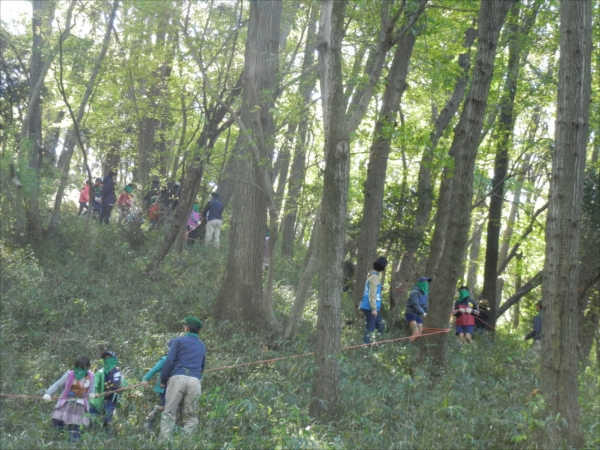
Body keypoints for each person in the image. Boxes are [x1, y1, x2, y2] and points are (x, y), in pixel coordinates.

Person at [160, 316, 206, 440]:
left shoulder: (178, 341)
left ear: (186, 328)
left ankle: (165, 444)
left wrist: (163, 379)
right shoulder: (202, 346)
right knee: (191, 417)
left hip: (177, 378)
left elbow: (169, 361)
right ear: (199, 331)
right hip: (195, 381)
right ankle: (188, 444)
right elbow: (202, 366)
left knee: (169, 414)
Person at [43, 356, 96, 442]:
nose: (80, 370)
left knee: (75, 427)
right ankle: (58, 440)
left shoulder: (91, 376)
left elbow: (92, 386)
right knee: (57, 420)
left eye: (83, 368)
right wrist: (48, 393)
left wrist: (92, 393)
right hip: (66, 402)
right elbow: (57, 384)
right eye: (78, 368)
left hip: (80, 405)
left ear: (87, 368)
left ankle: (73, 443)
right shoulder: (70, 374)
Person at [89, 350, 128, 432]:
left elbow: (124, 383)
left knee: (108, 418)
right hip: (97, 401)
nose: (107, 361)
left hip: (111, 399)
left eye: (110, 358)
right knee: (93, 421)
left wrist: (124, 387)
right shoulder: (100, 373)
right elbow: (94, 384)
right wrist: (94, 392)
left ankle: (110, 435)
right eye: (105, 359)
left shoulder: (118, 372)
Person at [142, 339, 173, 432]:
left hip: (174, 388)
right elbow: (154, 369)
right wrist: (145, 378)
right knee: (165, 407)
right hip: (164, 388)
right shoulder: (165, 359)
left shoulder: (180, 360)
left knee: (175, 409)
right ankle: (151, 418)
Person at [359, 256, 388, 344]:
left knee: (380, 325)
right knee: (370, 328)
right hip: (370, 308)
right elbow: (372, 294)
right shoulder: (374, 277)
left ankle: (377, 344)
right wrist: (374, 309)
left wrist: (380, 287)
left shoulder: (372, 276)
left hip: (370, 307)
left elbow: (372, 288)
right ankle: (366, 348)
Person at [405, 276, 432, 343]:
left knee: (419, 334)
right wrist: (423, 312)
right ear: (420, 283)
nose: (426, 284)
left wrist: (427, 313)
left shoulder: (425, 295)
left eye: (427, 282)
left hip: (418, 315)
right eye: (425, 282)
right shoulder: (414, 292)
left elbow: (425, 306)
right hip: (411, 313)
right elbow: (415, 305)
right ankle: (406, 347)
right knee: (416, 333)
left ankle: (412, 347)